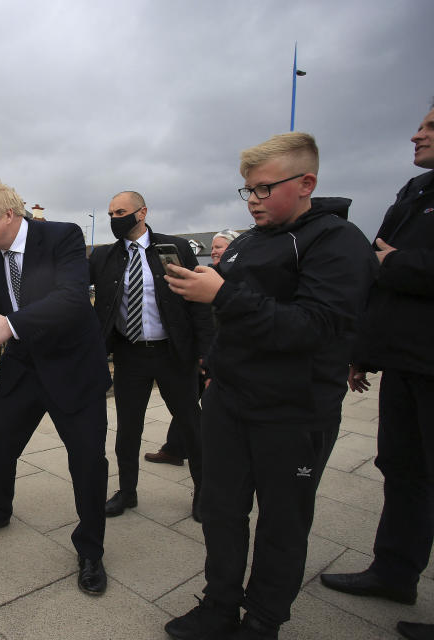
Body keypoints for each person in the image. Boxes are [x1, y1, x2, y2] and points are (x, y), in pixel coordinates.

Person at [162, 132, 376, 639]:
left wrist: (223, 294)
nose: (254, 200)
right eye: (248, 191)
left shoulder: (337, 241)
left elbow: (316, 326)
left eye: (263, 189)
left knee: (282, 522)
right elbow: (229, 319)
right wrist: (213, 362)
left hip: (294, 410)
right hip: (230, 401)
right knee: (220, 509)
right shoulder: (248, 243)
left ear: (306, 184)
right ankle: (219, 604)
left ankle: (263, 620)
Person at [0, 179, 111, 595]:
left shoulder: (63, 236)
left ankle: (90, 550)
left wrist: (13, 323)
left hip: (73, 367)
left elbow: (72, 298)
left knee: (87, 461)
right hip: (23, 369)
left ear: (8, 215)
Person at [319, 103, 434, 640]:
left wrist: (397, 263)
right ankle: (394, 572)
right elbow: (375, 264)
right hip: (406, 358)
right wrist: (362, 351)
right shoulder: (415, 192)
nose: (417, 134)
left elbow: (389, 261)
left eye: (431, 127)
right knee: (401, 468)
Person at [89, 191, 214, 521]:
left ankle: (204, 491)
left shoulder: (175, 249)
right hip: (130, 355)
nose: (115, 218)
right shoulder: (104, 257)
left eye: (121, 212)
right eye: (111, 213)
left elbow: (198, 303)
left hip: (173, 354)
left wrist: (206, 353)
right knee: (128, 428)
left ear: (142, 212)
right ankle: (127, 492)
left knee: (190, 423)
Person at [145, 228, 239, 467]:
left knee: (209, 407)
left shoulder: (236, 277)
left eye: (220, 247)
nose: (215, 251)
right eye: (214, 246)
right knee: (186, 404)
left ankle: (216, 457)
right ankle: (175, 448)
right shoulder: (204, 273)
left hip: (221, 350)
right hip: (201, 349)